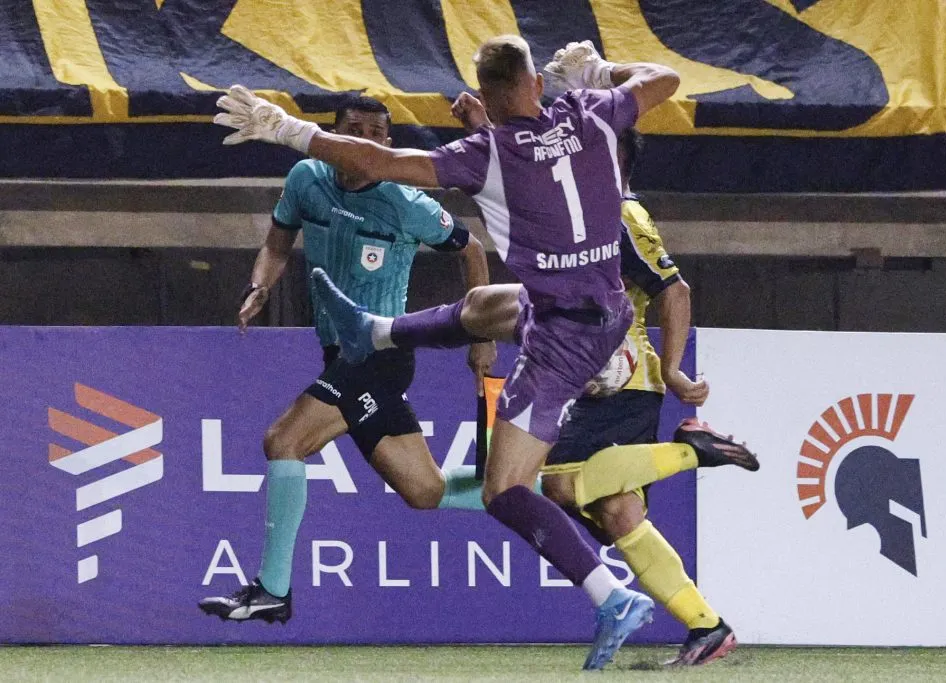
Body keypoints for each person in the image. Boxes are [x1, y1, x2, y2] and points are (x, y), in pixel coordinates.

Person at [213, 37, 749, 670]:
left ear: (489, 97)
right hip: (593, 308)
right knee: (480, 308)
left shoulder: (490, 151)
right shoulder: (592, 113)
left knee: (506, 490)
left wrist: (287, 128)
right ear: (536, 85)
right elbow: (665, 76)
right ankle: (380, 331)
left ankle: (612, 596)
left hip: (561, 337)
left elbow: (375, 161)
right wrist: (601, 70)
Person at [445, 93, 745, 666]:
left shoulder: (621, 213)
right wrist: (485, 126)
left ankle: (690, 453)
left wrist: (675, 368)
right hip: (593, 376)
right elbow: (522, 178)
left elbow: (674, 290)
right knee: (618, 513)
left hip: (617, 380)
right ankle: (708, 627)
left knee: (548, 483)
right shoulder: (586, 204)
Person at [198, 95, 497, 625]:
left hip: (380, 355)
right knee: (424, 491)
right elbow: (277, 240)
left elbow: (472, 250)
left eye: (375, 131)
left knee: (283, 440)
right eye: (352, 128)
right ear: (334, 136)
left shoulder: (408, 203)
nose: (364, 137)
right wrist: (260, 286)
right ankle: (557, 490)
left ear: (386, 143)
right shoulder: (305, 179)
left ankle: (273, 589)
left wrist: (482, 336)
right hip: (341, 352)